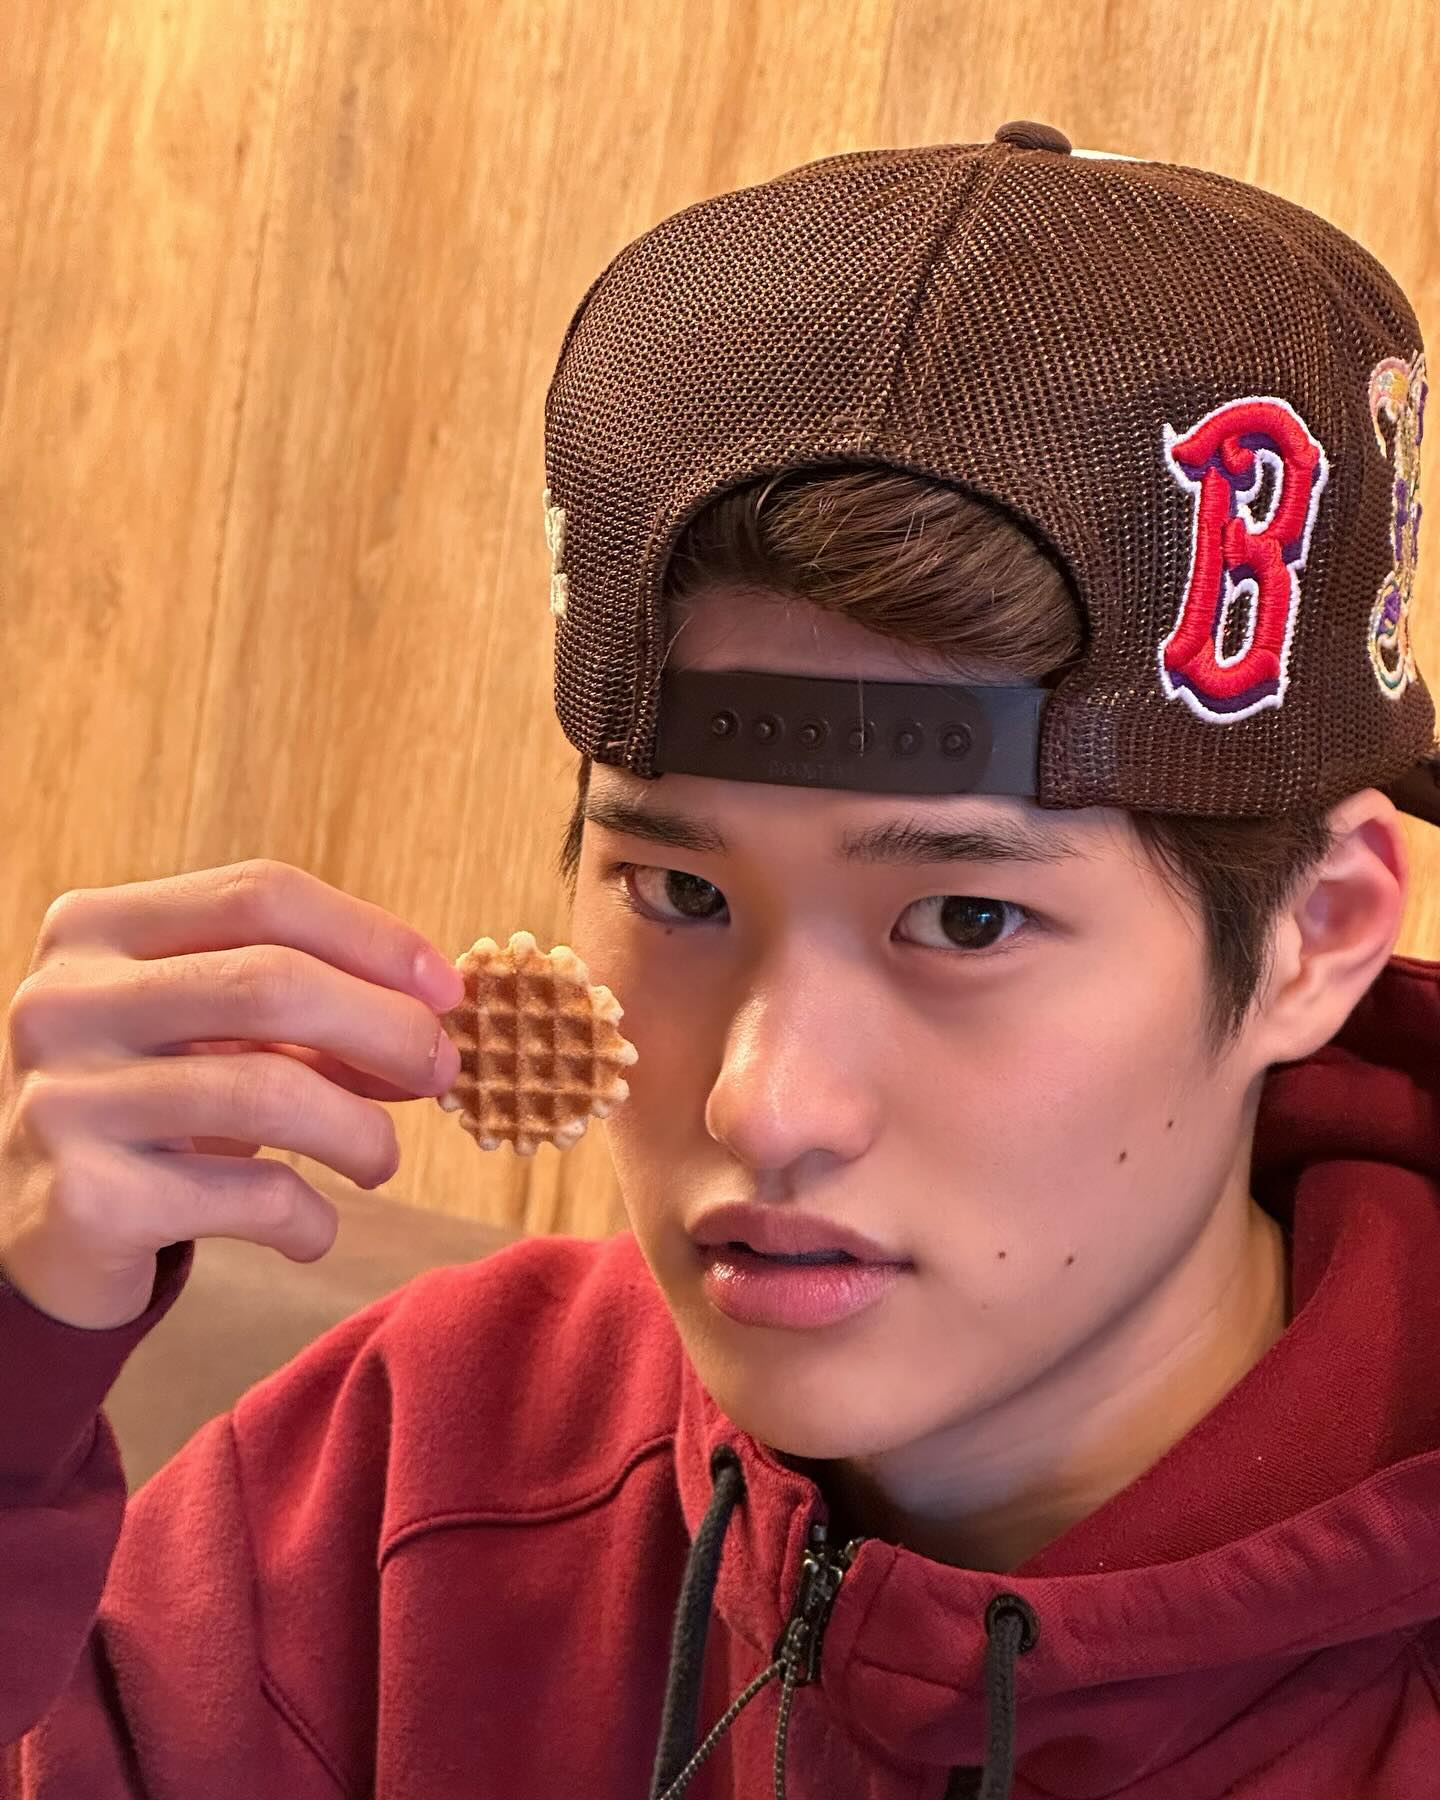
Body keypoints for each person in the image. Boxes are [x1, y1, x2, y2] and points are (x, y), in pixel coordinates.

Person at [1, 121, 1436, 1800]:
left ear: (1319, 936)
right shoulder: (398, 1489)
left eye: (966, 920)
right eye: (681, 892)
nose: (765, 1106)